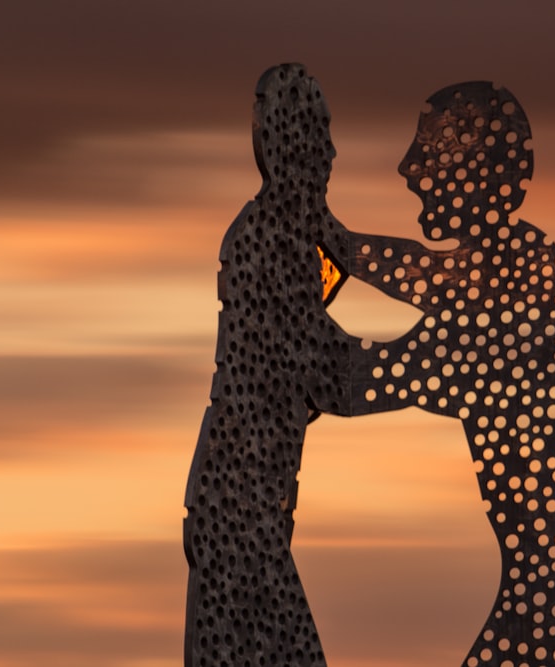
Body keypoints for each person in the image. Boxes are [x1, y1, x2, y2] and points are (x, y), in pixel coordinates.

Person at [330, 82, 555, 667]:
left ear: (473, 168)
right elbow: (424, 274)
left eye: (427, 150)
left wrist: (285, 315)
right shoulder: (521, 263)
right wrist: (336, 245)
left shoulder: (522, 285)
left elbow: (363, 380)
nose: (407, 167)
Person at [183, 63, 352, 667]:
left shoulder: (295, 234)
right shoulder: (269, 239)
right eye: (317, 132)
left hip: (255, 508)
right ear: (282, 141)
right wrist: (435, 363)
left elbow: (346, 249)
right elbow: (330, 373)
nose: (331, 151)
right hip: (241, 515)